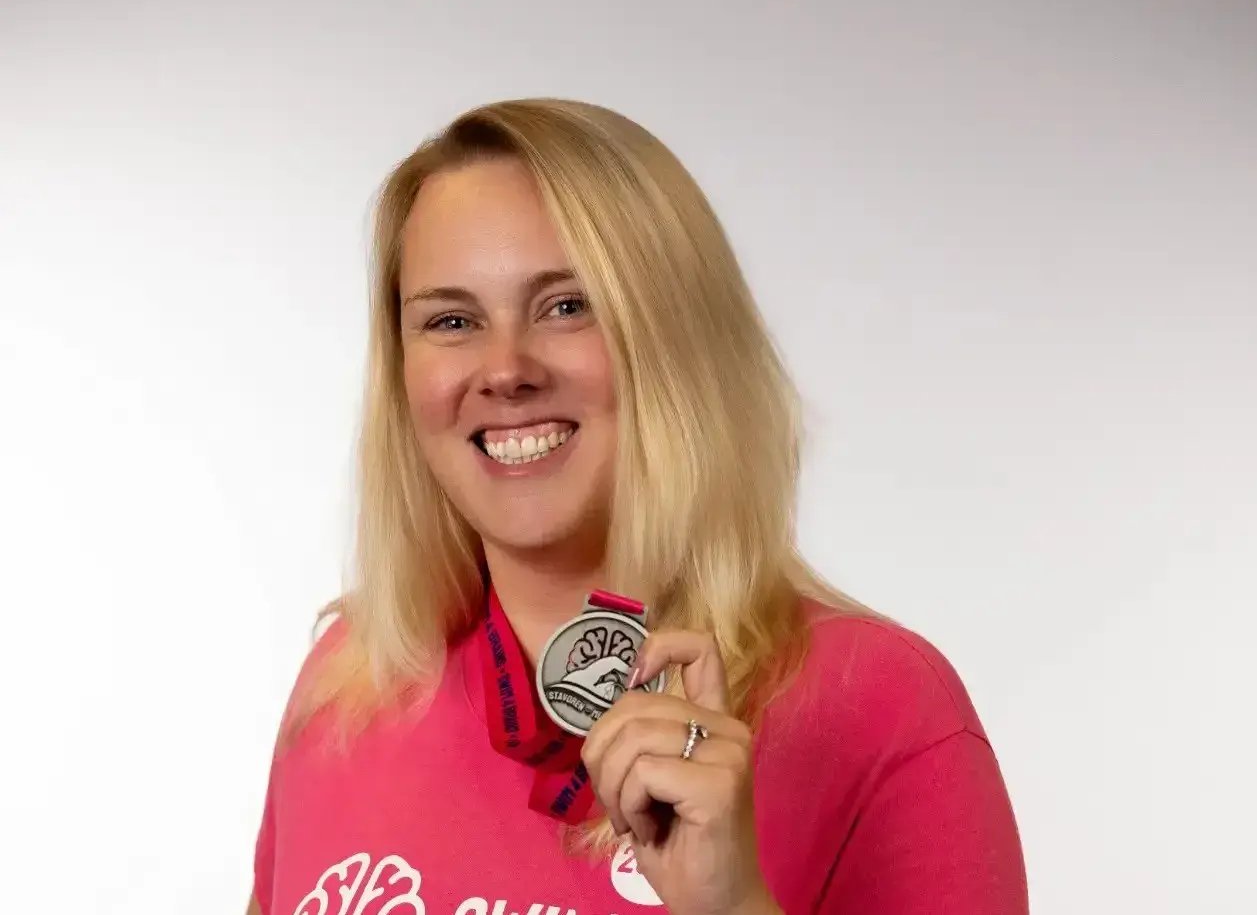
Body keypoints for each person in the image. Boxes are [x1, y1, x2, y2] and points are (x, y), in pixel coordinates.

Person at [247, 98, 1028, 915]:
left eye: (566, 305)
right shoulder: (352, 678)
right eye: (451, 319)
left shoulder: (877, 707)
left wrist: (729, 908)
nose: (504, 368)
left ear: (675, 338)